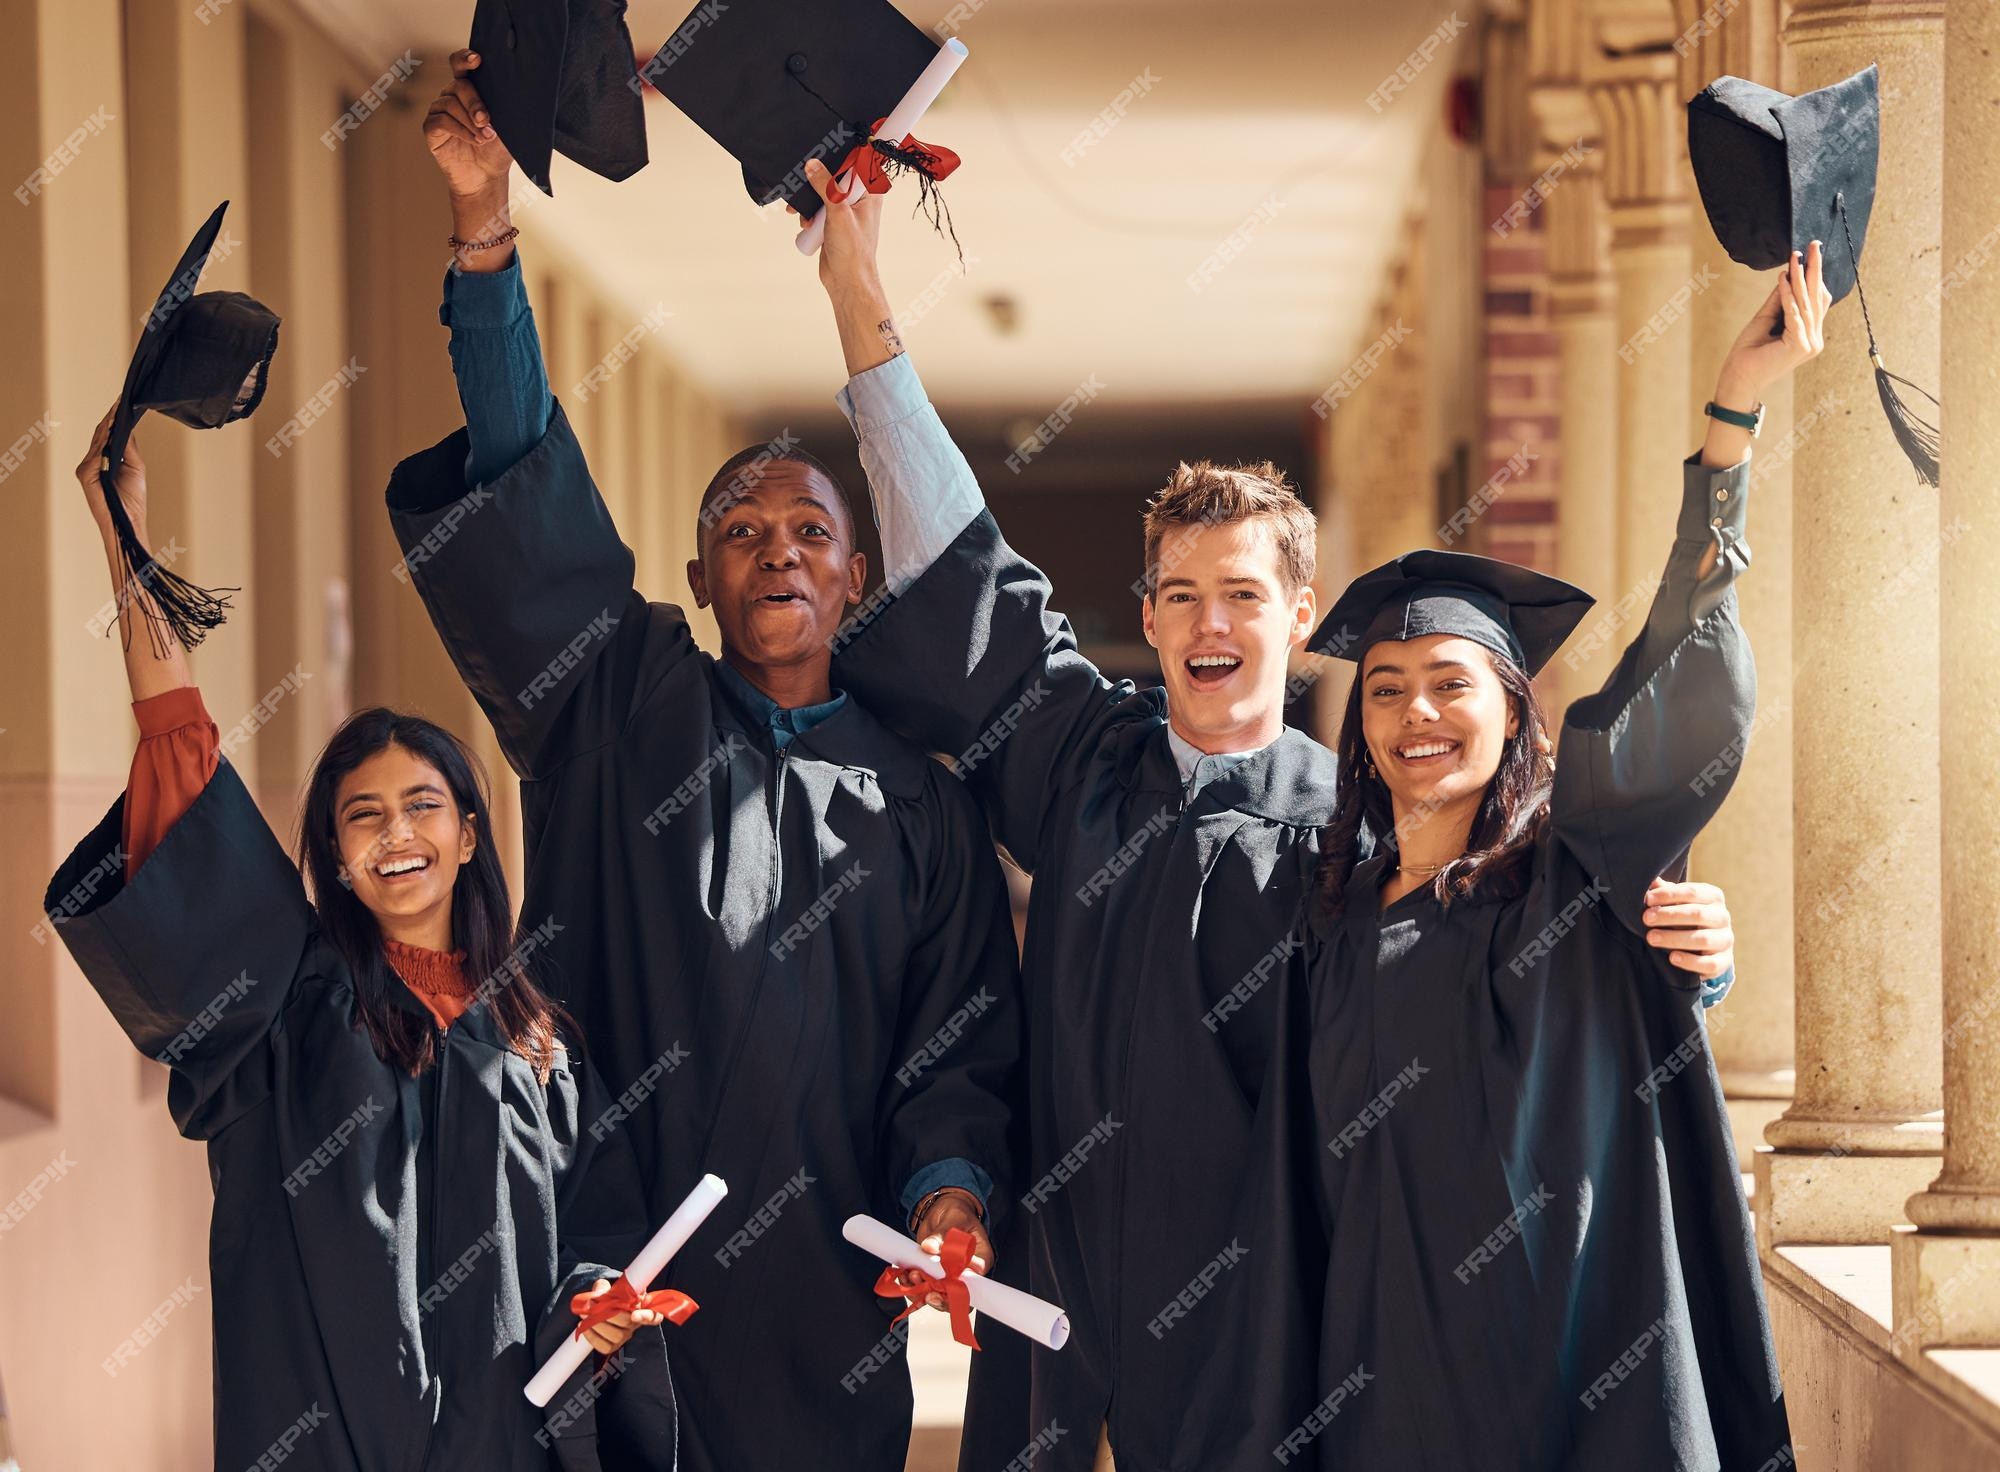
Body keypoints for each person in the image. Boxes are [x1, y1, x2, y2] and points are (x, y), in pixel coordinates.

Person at [800, 159, 1742, 1470]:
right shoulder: (1084, 765)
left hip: (1268, 1346)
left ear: (1303, 621)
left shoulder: (1361, 846)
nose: (1209, 624)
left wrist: (1688, 960)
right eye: (1179, 595)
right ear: (1146, 619)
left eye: (1243, 594)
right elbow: (956, 559)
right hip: (1062, 1327)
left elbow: (1521, 985)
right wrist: (859, 294)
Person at [387, 52, 1024, 1472]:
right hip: (614, 1247)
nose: (779, 548)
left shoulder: (919, 799)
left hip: (821, 1289)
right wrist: (485, 233)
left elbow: (957, 1043)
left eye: (810, 530)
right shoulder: (623, 708)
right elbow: (521, 474)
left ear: (857, 577)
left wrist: (949, 1198)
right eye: (743, 531)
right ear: (697, 576)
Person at [1286, 244, 1830, 1471]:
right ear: (1358, 727)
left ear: (1514, 706)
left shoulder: (1571, 877)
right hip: (1378, 1376)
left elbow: (1680, 675)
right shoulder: (1320, 915)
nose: (1414, 712)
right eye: (1384, 690)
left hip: (1576, 1356)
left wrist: (1731, 415)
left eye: (1447, 683)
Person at [49, 409, 677, 1470]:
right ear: (334, 855)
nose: (397, 833)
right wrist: (127, 543)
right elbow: (182, 762)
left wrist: (601, 1307)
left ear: (470, 833)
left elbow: (590, 1239)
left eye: (424, 805)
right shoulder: (291, 1008)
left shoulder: (544, 1050)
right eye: (362, 814)